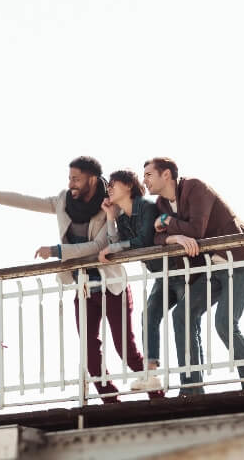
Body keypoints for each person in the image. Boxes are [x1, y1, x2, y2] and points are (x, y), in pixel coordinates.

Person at [0, 156, 158, 402]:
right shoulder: (63, 201)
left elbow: (99, 245)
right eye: (69, 177)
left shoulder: (108, 204)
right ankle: (112, 404)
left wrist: (57, 251)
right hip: (84, 289)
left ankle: (157, 394)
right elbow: (26, 202)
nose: (71, 183)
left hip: (112, 287)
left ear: (91, 179)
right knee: (91, 356)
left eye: (76, 178)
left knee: (126, 350)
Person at [143, 157, 244, 394]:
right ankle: (192, 388)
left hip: (241, 261)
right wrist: (174, 237)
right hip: (214, 268)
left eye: (149, 174)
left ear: (166, 175)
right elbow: (156, 238)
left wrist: (169, 223)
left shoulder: (195, 188)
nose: (145, 180)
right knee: (182, 315)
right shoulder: (162, 204)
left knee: (224, 323)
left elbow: (197, 230)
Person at [96, 169, 183, 395]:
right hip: (163, 274)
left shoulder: (146, 207)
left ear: (127, 185)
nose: (109, 189)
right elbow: (115, 241)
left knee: (185, 320)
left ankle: (193, 381)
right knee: (150, 315)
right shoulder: (123, 218)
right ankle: (151, 374)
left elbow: (143, 240)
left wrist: (114, 247)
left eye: (113, 184)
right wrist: (110, 218)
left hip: (180, 270)